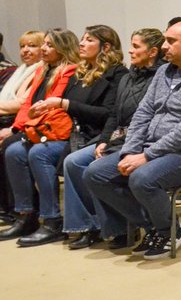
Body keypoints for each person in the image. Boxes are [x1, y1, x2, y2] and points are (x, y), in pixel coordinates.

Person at [83, 22, 181, 260]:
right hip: (153, 149)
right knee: (95, 173)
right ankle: (153, 225)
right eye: (164, 40)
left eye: (171, 41)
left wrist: (147, 156)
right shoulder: (163, 72)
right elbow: (143, 113)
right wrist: (130, 151)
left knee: (142, 178)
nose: (164, 47)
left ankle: (168, 229)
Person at [61, 29, 165, 250]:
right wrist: (104, 141)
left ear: (153, 51)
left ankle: (130, 225)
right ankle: (95, 226)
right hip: (118, 137)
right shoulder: (128, 78)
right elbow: (114, 115)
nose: (130, 50)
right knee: (74, 161)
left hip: (141, 142)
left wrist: (121, 144)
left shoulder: (161, 77)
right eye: (131, 45)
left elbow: (153, 121)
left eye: (136, 46)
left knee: (94, 167)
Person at [34, 25, 130, 248]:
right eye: (82, 39)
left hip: (104, 135)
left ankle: (97, 225)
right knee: (36, 152)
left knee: (74, 162)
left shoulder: (117, 74)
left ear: (105, 47)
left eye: (88, 40)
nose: (82, 44)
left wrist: (66, 104)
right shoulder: (81, 72)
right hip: (78, 135)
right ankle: (81, 224)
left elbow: (108, 114)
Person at [0, 29, 86, 245]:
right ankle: (26, 215)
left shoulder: (70, 71)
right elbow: (28, 104)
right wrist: (17, 128)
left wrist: (28, 125)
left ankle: (52, 220)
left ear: (63, 47)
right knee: (14, 151)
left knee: (38, 154)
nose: (44, 49)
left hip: (60, 133)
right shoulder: (43, 70)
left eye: (49, 45)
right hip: (37, 129)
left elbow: (51, 106)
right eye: (44, 44)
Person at [0, 31, 45, 225]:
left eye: (32, 45)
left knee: (10, 145)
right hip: (13, 119)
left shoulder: (40, 69)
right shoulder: (21, 70)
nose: (26, 50)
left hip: (27, 123)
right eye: (22, 46)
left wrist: (15, 128)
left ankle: (19, 210)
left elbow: (22, 103)